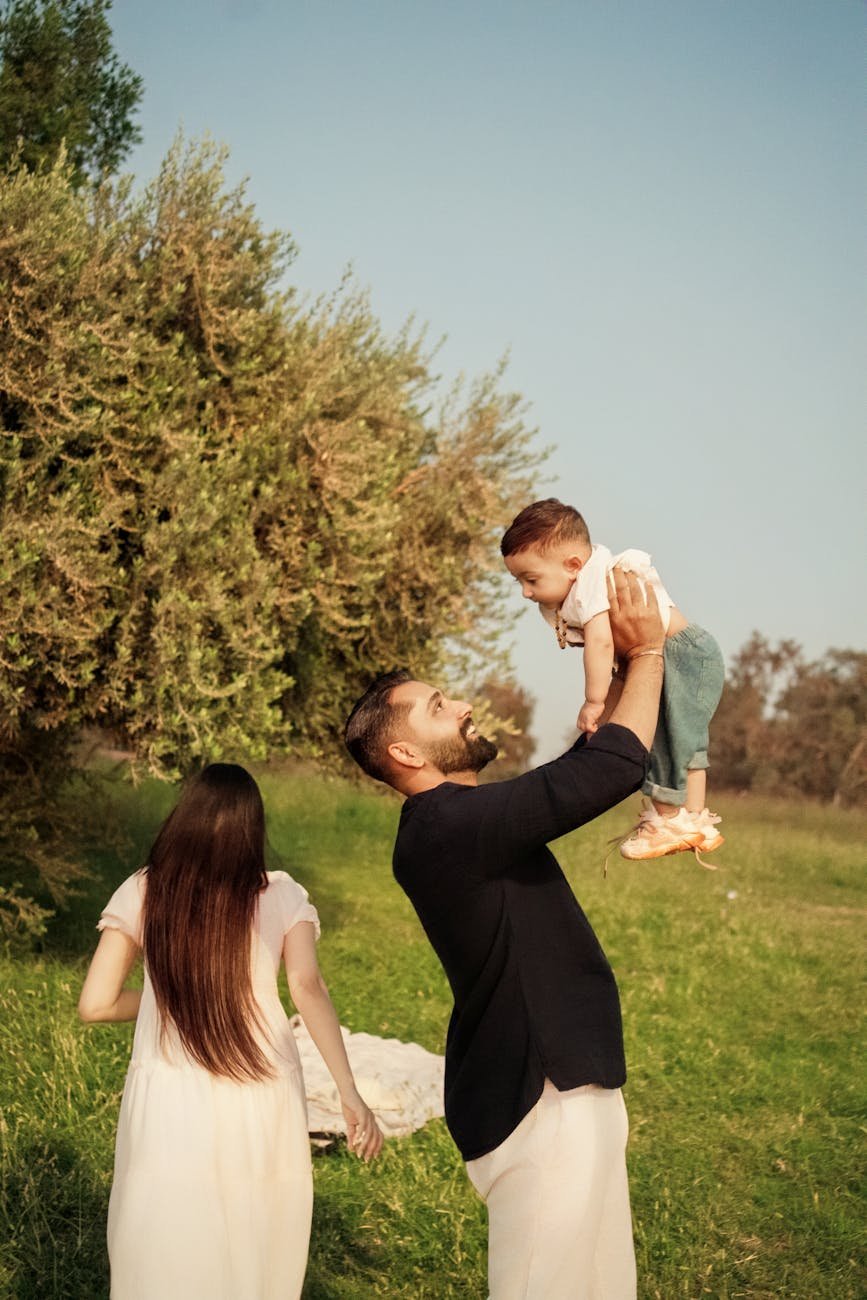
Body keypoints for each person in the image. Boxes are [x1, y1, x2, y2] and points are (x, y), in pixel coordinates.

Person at [344, 568, 665, 1300]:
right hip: (539, 1094)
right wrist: (646, 653)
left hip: (562, 1080)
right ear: (406, 755)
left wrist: (615, 675)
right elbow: (607, 771)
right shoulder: (448, 827)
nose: (461, 705)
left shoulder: (455, 825)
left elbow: (585, 767)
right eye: (437, 706)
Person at [78, 763, 383, 1300]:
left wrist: (171, 997)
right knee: (255, 1229)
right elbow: (307, 987)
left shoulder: (144, 890)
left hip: (170, 1093)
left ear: (184, 817)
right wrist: (348, 1091)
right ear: (253, 827)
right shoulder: (283, 895)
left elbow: (96, 1004)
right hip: (262, 1088)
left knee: (166, 1233)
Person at [501, 497, 726, 861]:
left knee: (670, 738)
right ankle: (694, 820)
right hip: (690, 654)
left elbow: (601, 643)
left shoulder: (591, 584)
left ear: (573, 565)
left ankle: (669, 819)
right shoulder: (581, 584)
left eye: (531, 579)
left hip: (683, 654)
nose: (526, 592)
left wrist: (594, 701)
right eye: (519, 582)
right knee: (685, 738)